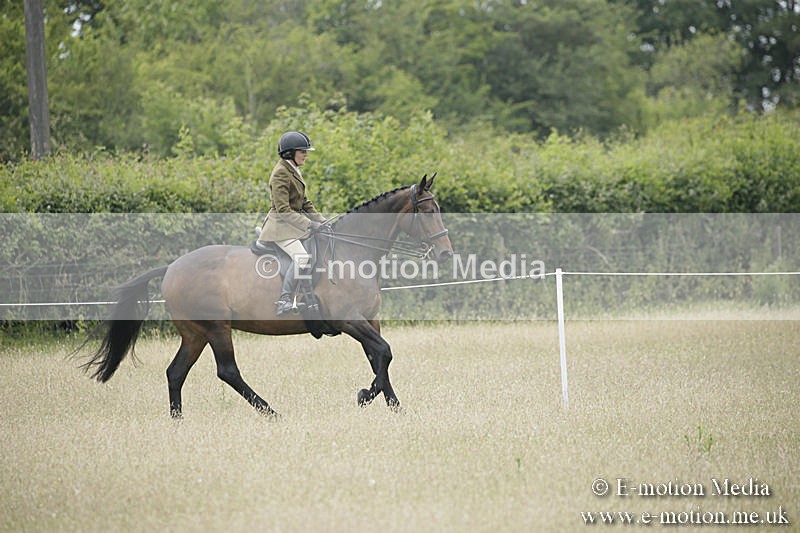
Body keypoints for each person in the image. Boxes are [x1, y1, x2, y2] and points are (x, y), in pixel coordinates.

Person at [258, 131, 326, 316]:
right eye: (302, 151)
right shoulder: (280, 173)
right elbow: (283, 209)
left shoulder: (293, 169)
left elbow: (305, 203)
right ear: (290, 153)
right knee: (302, 257)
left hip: (291, 226)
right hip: (279, 227)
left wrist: (322, 221)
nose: (306, 155)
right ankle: (284, 300)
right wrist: (309, 224)